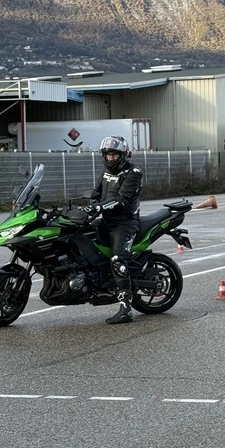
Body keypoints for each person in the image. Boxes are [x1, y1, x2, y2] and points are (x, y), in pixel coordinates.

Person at [90, 135, 143, 324]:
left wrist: (98, 207)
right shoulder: (106, 170)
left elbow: (122, 199)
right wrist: (86, 206)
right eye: (108, 155)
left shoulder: (134, 172)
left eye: (114, 155)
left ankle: (126, 309)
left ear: (123, 154)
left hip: (125, 223)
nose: (110, 158)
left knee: (118, 259)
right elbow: (96, 193)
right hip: (106, 221)